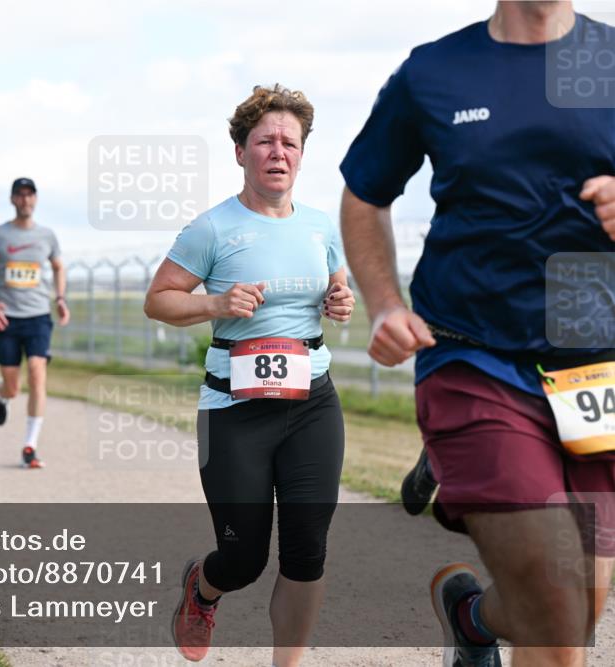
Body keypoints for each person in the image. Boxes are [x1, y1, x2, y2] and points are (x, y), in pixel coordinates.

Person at [339, 3, 614, 666]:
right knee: (556, 616)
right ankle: (466, 446)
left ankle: (472, 619)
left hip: (598, 366)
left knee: (582, 602)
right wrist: (382, 304)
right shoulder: (436, 71)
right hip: (472, 352)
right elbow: (365, 194)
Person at [144, 85, 355, 666]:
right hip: (234, 408)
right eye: (265, 141)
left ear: (302, 154)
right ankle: (202, 589)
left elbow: (337, 286)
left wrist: (340, 300)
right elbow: (158, 301)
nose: (278, 152)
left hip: (312, 400)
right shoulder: (211, 228)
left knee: (307, 551)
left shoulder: (320, 225)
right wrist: (216, 304)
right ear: (241, 152)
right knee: (243, 560)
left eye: (290, 142)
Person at [0, 178, 70, 469]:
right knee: (13, 387)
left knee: (38, 374)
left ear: (36, 199)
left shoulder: (47, 236)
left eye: (30, 195)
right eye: (20, 195)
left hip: (38, 315)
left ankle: (30, 445)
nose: (26, 200)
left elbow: (58, 266)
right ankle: (2, 395)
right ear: (13, 199)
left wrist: (61, 298)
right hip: (6, 318)